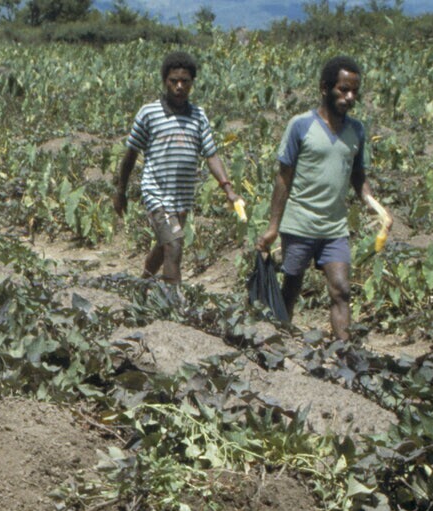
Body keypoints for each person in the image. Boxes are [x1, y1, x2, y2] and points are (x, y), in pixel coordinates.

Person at [256, 55, 391, 341]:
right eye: (343, 89)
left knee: (341, 289)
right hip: (300, 223)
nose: (349, 97)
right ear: (324, 88)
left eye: (354, 91)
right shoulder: (301, 125)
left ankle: (345, 353)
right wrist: (273, 227)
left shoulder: (356, 130)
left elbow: (358, 175)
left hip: (334, 228)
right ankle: (279, 343)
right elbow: (283, 178)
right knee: (292, 286)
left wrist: (372, 203)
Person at [114, 50, 241, 296]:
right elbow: (130, 154)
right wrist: (121, 191)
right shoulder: (149, 113)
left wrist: (228, 188)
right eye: (174, 81)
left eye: (185, 81)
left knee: (165, 245)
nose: (180, 86)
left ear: (192, 83)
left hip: (182, 198)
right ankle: (173, 305)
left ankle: (141, 288)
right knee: (174, 245)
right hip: (156, 193)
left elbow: (211, 155)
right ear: (165, 81)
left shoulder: (198, 116)